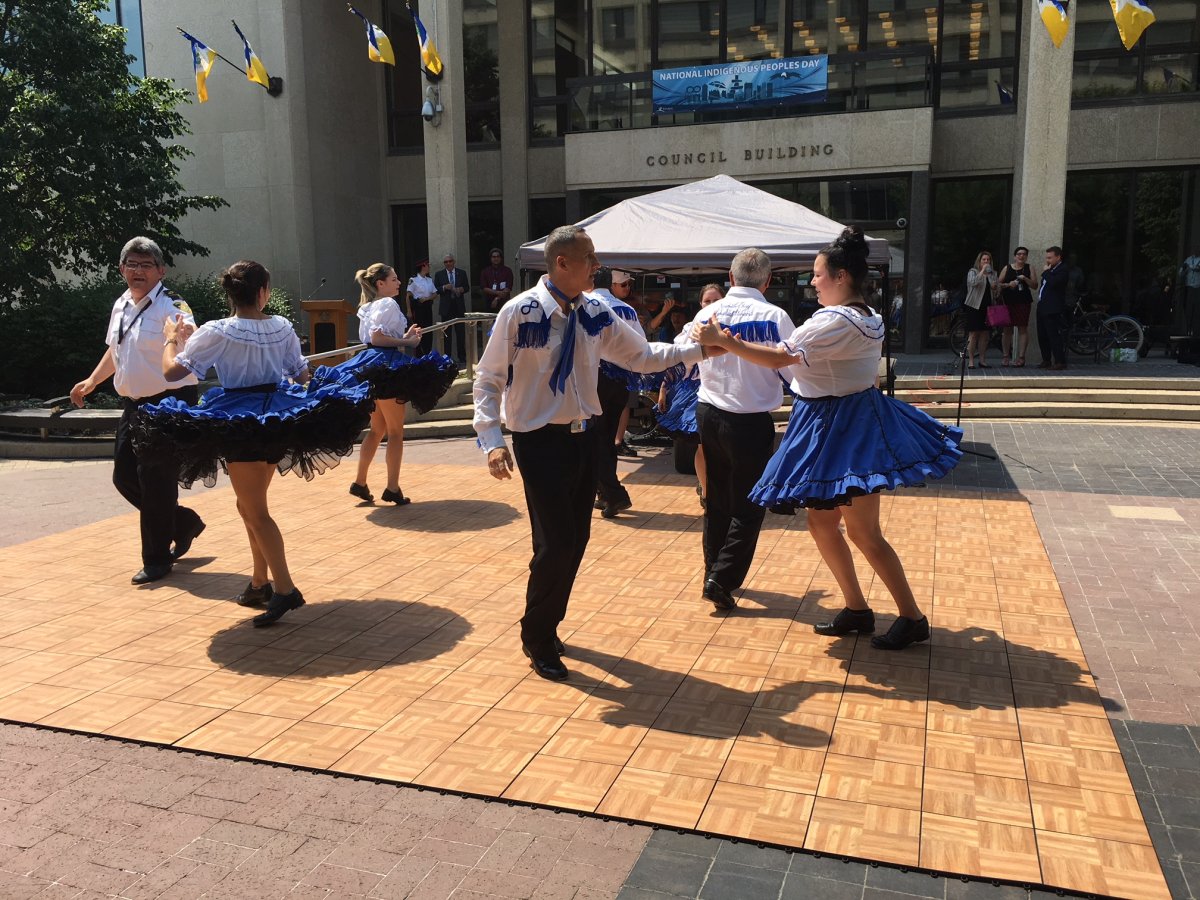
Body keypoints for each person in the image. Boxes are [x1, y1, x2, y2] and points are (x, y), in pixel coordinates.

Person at [693, 227, 963, 651]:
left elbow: (781, 356)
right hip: (839, 422)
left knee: (864, 533)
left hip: (841, 428)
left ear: (840, 276)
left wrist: (722, 341)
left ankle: (912, 617)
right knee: (822, 522)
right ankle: (857, 609)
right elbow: (785, 353)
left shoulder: (833, 321)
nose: (812, 282)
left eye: (818, 275)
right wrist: (732, 343)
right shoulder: (865, 316)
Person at [473, 226, 708, 682]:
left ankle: (547, 625)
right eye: (589, 258)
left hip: (587, 439)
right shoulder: (519, 312)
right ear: (562, 263)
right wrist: (492, 440)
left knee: (573, 542)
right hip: (540, 441)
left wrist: (702, 348)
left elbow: (641, 355)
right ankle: (536, 637)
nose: (597, 265)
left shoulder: (596, 310)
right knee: (556, 543)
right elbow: (488, 379)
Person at [142, 260, 372, 626]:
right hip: (275, 418)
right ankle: (259, 582)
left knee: (255, 511)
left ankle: (285, 589)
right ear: (262, 292)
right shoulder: (280, 326)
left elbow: (172, 372)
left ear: (230, 293)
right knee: (249, 505)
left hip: (240, 421)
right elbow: (299, 373)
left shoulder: (217, 331)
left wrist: (172, 338)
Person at [70, 237, 206, 586]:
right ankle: (180, 524)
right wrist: (92, 380)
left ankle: (157, 558)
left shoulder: (172, 305)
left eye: (146, 265)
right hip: (133, 404)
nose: (138, 271)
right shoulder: (121, 305)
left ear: (161, 271)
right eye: (132, 264)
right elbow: (116, 352)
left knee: (155, 480)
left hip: (168, 403)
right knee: (124, 476)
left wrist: (181, 333)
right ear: (121, 269)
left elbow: (188, 332)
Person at [687, 249, 796, 613]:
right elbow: (794, 374)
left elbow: (682, 358)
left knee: (717, 499)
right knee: (749, 504)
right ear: (767, 281)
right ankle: (722, 577)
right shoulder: (775, 316)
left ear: (730, 279)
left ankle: (711, 572)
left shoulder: (707, 313)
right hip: (749, 419)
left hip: (709, 413)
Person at [341, 263, 456, 505]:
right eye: (394, 279)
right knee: (395, 431)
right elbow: (377, 338)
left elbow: (376, 338)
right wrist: (410, 343)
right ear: (380, 284)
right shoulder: (388, 303)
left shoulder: (369, 306)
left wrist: (404, 338)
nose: (399, 282)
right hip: (386, 367)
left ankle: (360, 482)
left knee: (377, 429)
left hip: (372, 365)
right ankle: (392, 488)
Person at [657, 283, 723, 506]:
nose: (712, 305)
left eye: (716, 300)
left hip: (728, 393)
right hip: (697, 394)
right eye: (707, 301)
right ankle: (707, 493)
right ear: (700, 304)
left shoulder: (734, 327)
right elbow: (676, 362)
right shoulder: (690, 329)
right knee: (704, 445)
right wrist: (664, 389)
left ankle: (714, 489)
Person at [590, 268, 640, 519]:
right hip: (620, 379)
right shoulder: (627, 309)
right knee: (607, 438)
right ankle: (605, 494)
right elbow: (640, 344)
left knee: (592, 440)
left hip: (595, 378)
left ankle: (615, 493)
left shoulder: (587, 305)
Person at [996, 246, 1035, 367]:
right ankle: (1006, 356)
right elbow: (997, 284)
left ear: (1026, 256)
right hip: (1008, 301)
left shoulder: (1029, 268)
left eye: (1024, 254)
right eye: (1019, 254)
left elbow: (1035, 285)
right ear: (1015, 256)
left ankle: (1021, 357)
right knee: (1007, 330)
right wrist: (1008, 284)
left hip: (1023, 302)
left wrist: (1025, 279)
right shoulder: (1007, 268)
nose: (1021, 256)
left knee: (1022, 328)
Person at [963, 251, 998, 369]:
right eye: (984, 260)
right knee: (973, 334)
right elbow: (972, 283)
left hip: (987, 306)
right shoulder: (973, 272)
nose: (986, 262)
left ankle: (982, 360)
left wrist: (995, 287)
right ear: (979, 261)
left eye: (988, 260)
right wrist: (982, 271)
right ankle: (971, 360)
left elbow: (996, 289)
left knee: (985, 334)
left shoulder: (993, 274)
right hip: (974, 305)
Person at [1037, 246, 1069, 370]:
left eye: (1050, 257)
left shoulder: (1062, 270)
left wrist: (1045, 272)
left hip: (1053, 308)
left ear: (1058, 257)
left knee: (1053, 335)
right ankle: (1046, 359)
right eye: (1047, 257)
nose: (1047, 260)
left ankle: (1060, 361)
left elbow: (1054, 283)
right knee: (1042, 335)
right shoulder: (1051, 270)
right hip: (1043, 306)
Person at [434, 253, 470, 364]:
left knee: (460, 335)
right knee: (447, 335)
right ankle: (447, 358)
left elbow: (467, 287)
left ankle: (462, 357)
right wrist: (444, 287)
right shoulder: (439, 274)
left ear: (454, 262)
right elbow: (435, 289)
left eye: (450, 261)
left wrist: (461, 289)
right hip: (446, 309)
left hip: (458, 307)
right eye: (446, 262)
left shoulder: (461, 273)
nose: (448, 263)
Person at [406, 259, 437, 355]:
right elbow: (408, 295)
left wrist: (427, 299)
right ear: (423, 266)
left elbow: (435, 294)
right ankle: (419, 354)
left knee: (428, 331)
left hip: (427, 307)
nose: (429, 267)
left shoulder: (429, 279)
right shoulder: (413, 279)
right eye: (428, 265)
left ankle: (427, 352)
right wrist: (409, 310)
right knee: (419, 331)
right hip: (418, 308)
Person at [480, 248, 515, 312]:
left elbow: (508, 288)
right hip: (489, 302)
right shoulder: (485, 271)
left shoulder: (507, 271)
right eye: (494, 257)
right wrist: (497, 292)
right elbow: (484, 287)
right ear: (490, 258)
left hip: (504, 302)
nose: (496, 259)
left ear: (501, 258)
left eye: (498, 256)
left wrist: (497, 299)